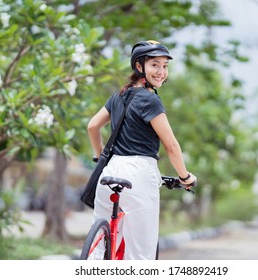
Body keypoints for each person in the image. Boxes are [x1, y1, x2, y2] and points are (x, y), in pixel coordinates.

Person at [87, 40, 197, 260]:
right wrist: (185, 177)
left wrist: (100, 155)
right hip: (140, 173)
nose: (162, 71)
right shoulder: (150, 101)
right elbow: (171, 145)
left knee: (97, 252)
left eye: (165, 66)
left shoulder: (118, 97)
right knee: (140, 256)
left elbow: (92, 126)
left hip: (109, 171)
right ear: (139, 67)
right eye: (155, 65)